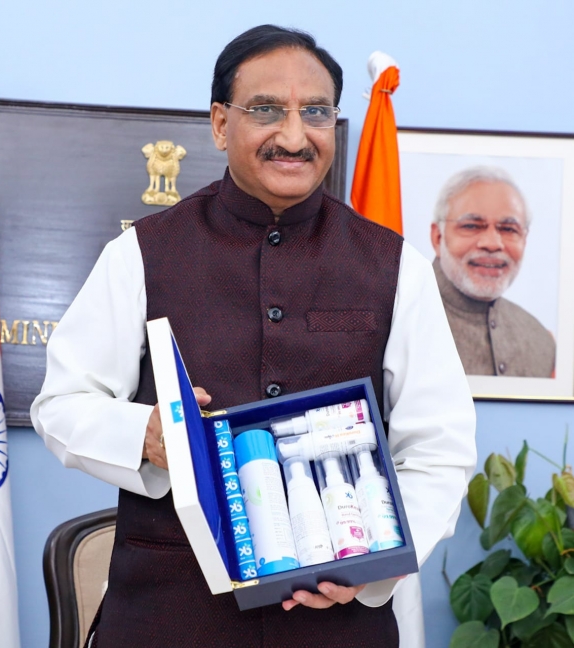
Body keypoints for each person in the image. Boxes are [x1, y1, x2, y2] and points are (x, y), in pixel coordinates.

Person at [31, 25, 476, 648]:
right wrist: (145, 435)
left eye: (315, 112)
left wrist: (372, 571)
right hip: (168, 618)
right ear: (220, 123)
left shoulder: (394, 266)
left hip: (339, 624)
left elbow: (438, 448)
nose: (294, 136)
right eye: (266, 110)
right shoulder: (141, 253)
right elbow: (61, 404)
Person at [430, 166, 556, 377]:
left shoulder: (541, 342)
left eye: (508, 229)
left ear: (524, 240)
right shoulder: (394, 322)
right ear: (438, 237)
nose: (492, 243)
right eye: (472, 226)